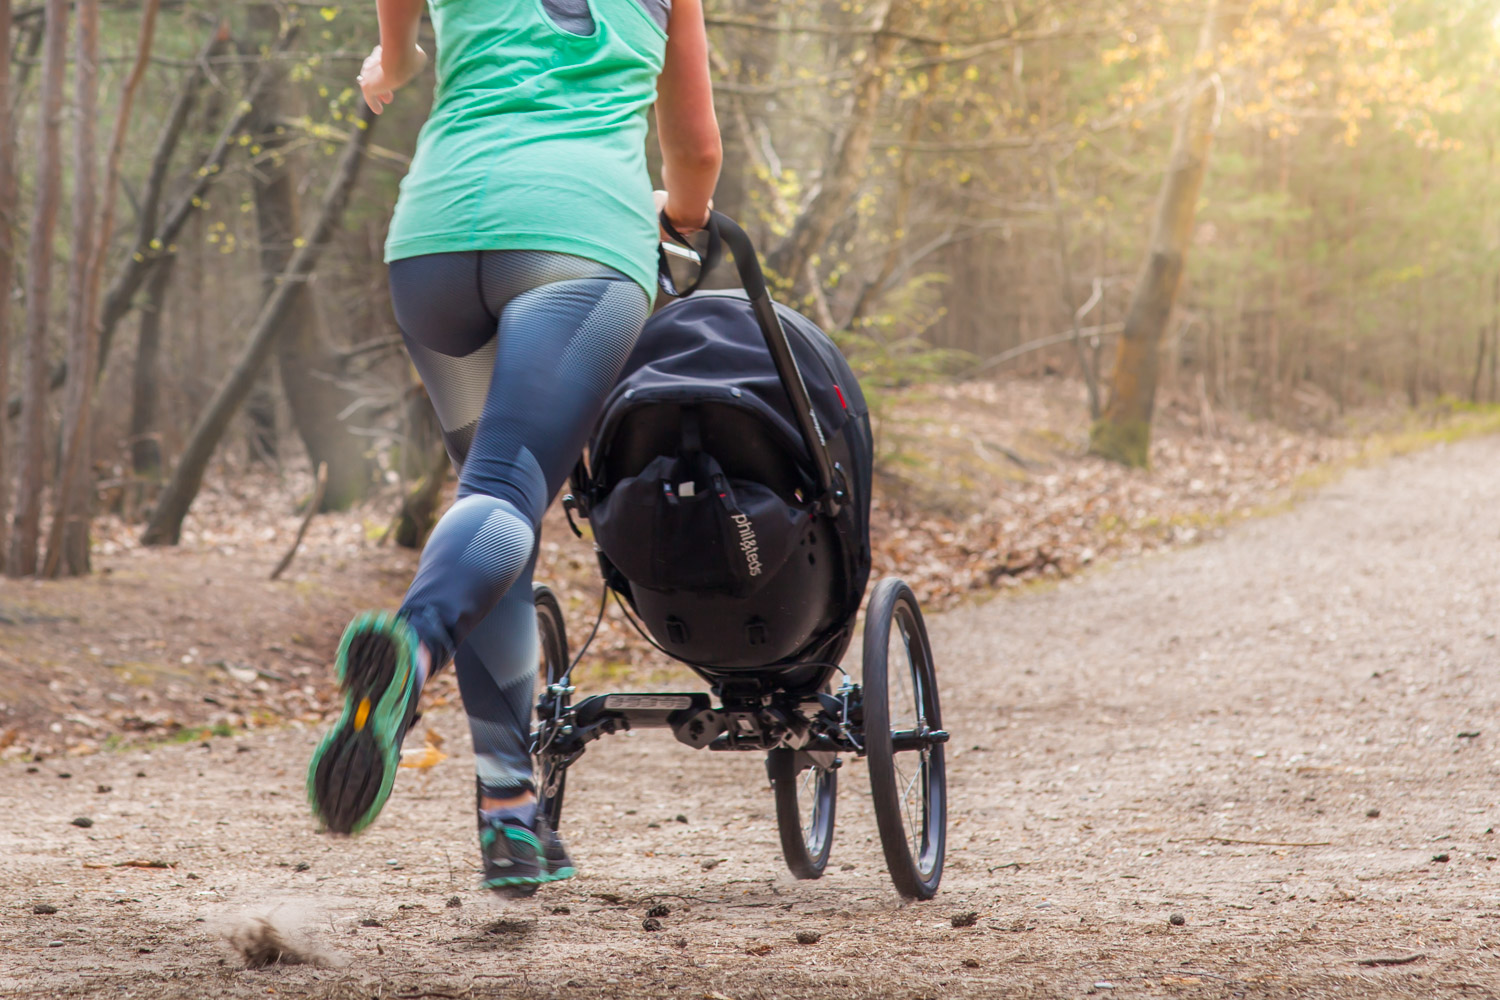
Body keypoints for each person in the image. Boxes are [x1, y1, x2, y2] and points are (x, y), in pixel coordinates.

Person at [306, 0, 720, 896]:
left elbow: (399, 38)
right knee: (504, 494)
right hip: (576, 242)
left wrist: (395, 59)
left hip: (436, 241)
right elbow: (697, 152)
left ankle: (510, 814)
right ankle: (411, 652)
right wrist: (679, 214)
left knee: (492, 504)